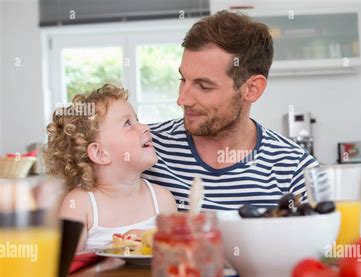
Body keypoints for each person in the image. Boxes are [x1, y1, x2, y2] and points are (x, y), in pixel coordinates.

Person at [142, 11, 319, 211]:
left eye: (204, 86)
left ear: (252, 89)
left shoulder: (296, 170)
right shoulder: (145, 148)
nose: (182, 99)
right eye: (183, 80)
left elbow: (322, 240)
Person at [44, 84, 176, 251]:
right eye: (128, 123)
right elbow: (65, 268)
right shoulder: (79, 205)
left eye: (138, 120)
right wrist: (115, 248)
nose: (145, 127)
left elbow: (174, 255)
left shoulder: (162, 199)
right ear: (100, 153)